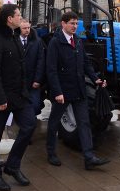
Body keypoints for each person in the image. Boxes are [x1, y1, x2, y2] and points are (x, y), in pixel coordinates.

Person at [45, 11, 110, 170]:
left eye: (76, 23)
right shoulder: (55, 43)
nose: (75, 26)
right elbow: (51, 70)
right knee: (53, 123)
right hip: (63, 91)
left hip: (79, 90)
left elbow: (86, 64)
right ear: (63, 24)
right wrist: (58, 92)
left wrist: (95, 79)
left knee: (84, 123)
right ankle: (51, 153)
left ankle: (89, 158)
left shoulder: (78, 41)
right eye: (72, 23)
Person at [0, 4, 36, 191]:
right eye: (18, 15)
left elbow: (20, 67)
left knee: (29, 125)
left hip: (18, 96)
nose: (21, 18)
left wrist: (24, 92)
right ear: (9, 19)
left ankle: (12, 166)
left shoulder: (13, 35)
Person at [16, 19, 45, 116]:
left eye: (28, 27)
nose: (27, 30)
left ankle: (30, 119)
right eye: (24, 28)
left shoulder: (37, 42)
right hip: (18, 81)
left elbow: (40, 61)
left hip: (33, 81)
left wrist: (37, 80)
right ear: (19, 29)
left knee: (35, 105)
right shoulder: (14, 41)